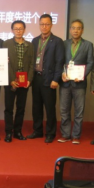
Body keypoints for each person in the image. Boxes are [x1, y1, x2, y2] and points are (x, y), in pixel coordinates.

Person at [27, 14, 64, 143]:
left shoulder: (57, 41)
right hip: (36, 78)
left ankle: (50, 132)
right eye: (42, 24)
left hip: (49, 79)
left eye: (47, 24)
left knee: (49, 107)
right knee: (36, 107)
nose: (44, 26)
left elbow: (59, 62)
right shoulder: (35, 40)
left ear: (51, 25)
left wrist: (56, 79)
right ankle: (37, 131)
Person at [59, 19, 94, 144]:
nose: (75, 30)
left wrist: (82, 75)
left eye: (78, 28)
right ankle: (65, 134)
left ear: (82, 30)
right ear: (70, 30)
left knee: (79, 111)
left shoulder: (88, 45)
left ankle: (76, 136)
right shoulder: (64, 44)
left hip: (79, 83)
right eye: (73, 28)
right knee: (64, 110)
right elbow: (60, 61)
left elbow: (90, 62)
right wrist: (62, 73)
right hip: (65, 82)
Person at [3, 20, 34, 143]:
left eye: (21, 28)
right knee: (9, 108)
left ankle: (17, 132)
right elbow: (4, 64)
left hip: (24, 82)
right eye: (16, 29)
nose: (18, 31)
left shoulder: (29, 45)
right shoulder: (6, 44)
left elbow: (32, 64)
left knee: (21, 108)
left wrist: (29, 80)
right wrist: (11, 80)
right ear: (12, 30)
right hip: (10, 81)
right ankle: (8, 132)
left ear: (24, 30)